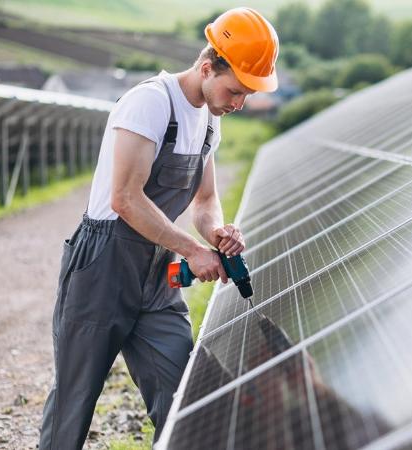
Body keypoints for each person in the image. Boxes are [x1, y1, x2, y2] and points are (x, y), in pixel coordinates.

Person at [38, 7, 279, 448]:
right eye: (236, 90)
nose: (240, 103)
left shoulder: (209, 121)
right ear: (207, 67)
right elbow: (125, 199)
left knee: (186, 399)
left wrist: (219, 234)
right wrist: (192, 249)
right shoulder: (150, 102)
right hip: (102, 267)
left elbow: (205, 201)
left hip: (156, 274)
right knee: (74, 403)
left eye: (247, 94)